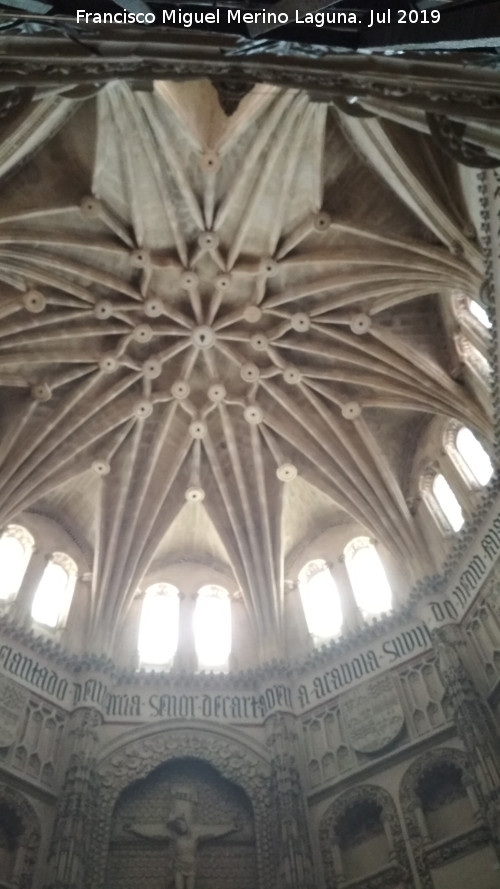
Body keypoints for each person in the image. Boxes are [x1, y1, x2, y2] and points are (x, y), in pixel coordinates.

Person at [126, 812, 239, 889]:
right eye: (178, 826)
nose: (181, 827)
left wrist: (230, 828)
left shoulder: (195, 836)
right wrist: (134, 829)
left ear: (185, 823)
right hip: (179, 867)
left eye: (181, 823)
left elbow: (213, 832)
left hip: (191, 867)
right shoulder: (174, 837)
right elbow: (154, 833)